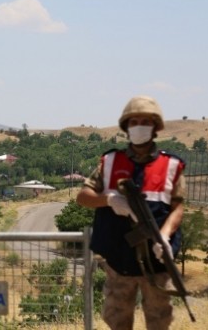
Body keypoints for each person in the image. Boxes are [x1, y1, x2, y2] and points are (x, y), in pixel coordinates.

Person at [76, 95, 186, 330]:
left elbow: (178, 207)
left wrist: (165, 237)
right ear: (126, 127)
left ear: (155, 127)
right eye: (134, 121)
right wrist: (109, 199)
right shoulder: (109, 162)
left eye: (145, 121)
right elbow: (82, 197)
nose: (139, 126)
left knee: (159, 321)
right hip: (119, 259)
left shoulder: (171, 165)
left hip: (157, 259)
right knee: (118, 321)